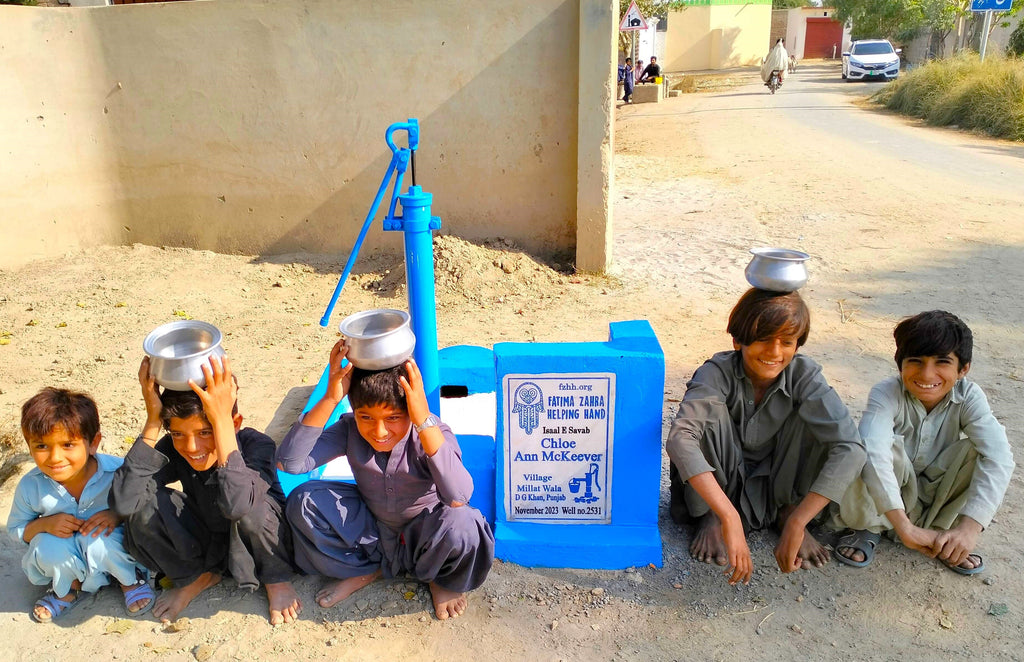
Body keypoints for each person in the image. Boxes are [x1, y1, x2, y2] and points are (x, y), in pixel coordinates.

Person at [277, 342, 494, 620]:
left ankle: (440, 579)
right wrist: (330, 399)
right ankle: (367, 571)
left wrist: (423, 420)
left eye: (393, 417)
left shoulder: (431, 432)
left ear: (411, 410)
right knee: (303, 501)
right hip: (373, 529)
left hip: (427, 534)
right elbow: (291, 463)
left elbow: (459, 496)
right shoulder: (349, 429)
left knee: (464, 524)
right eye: (365, 417)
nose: (379, 431)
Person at [665, 288, 866, 585]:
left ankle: (789, 512)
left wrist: (800, 522)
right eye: (762, 340)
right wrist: (729, 518)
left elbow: (851, 448)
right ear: (738, 340)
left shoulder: (805, 375)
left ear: (798, 344)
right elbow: (680, 439)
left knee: (820, 420)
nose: (774, 353)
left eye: (786, 342)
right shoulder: (716, 373)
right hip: (725, 480)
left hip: (779, 479)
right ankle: (711, 515)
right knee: (702, 421)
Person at [110, 356, 301, 625]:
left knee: (252, 505)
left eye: (204, 432)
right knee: (146, 503)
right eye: (178, 434)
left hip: (257, 543)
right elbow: (125, 502)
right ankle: (198, 576)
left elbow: (238, 506)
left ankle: (276, 578)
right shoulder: (174, 449)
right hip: (208, 540)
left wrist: (221, 423)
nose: (191, 447)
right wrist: (153, 419)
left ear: (234, 423)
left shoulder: (258, 445)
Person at [831, 311, 1014, 573]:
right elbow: (872, 451)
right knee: (870, 447)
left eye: (942, 362)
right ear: (900, 365)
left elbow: (1000, 458)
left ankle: (947, 538)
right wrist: (905, 529)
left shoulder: (970, 398)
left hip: (931, 493)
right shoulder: (886, 392)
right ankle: (868, 527)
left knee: (981, 450)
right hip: (883, 497)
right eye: (915, 361)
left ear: (963, 369)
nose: (927, 375)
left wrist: (969, 529)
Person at [8, 387, 154, 623]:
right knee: (46, 546)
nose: (55, 458)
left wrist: (117, 514)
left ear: (93, 442)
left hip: (107, 548)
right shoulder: (30, 486)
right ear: (29, 446)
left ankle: (129, 580)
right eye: (41, 446)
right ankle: (67, 589)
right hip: (65, 553)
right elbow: (16, 530)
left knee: (100, 540)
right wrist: (44, 524)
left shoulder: (117, 472)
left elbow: (145, 506)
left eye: (68, 445)